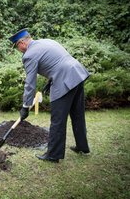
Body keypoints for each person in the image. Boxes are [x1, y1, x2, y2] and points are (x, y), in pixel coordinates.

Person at [9, 29, 90, 163]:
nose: (19, 50)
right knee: (78, 114)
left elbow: (30, 84)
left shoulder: (29, 55)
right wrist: (50, 81)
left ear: (21, 43)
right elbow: (56, 62)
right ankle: (82, 146)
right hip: (77, 74)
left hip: (63, 80)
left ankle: (53, 154)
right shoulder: (46, 41)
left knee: (58, 119)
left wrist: (25, 106)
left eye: (17, 47)